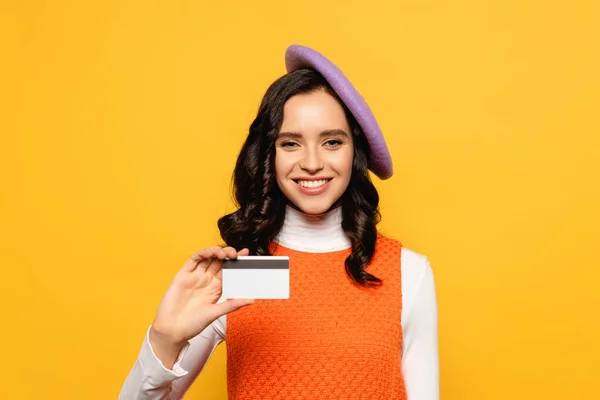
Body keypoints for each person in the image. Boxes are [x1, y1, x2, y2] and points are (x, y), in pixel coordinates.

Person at [119, 44, 439, 400]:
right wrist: (164, 340)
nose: (313, 162)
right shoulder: (250, 270)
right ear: (269, 154)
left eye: (332, 141)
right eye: (291, 144)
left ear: (355, 152)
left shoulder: (406, 272)